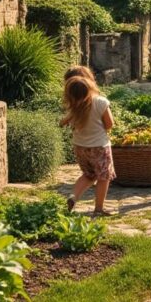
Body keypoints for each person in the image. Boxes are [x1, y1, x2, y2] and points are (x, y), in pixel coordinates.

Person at [59, 68, 115, 215]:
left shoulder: (74, 105)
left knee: (89, 175)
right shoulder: (100, 102)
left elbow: (63, 122)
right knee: (104, 177)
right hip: (100, 147)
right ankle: (99, 208)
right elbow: (109, 124)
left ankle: (74, 196)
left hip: (80, 147)